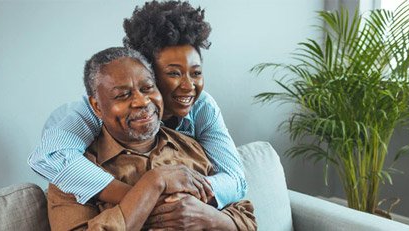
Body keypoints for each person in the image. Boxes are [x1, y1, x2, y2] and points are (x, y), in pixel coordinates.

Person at [28, 0, 246, 209]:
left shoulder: (203, 107)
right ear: (146, 71)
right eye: (173, 73)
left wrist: (185, 200)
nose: (189, 86)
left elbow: (236, 179)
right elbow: (49, 156)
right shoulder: (97, 109)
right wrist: (145, 197)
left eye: (196, 73)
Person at [48, 47, 256, 231]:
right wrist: (153, 183)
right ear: (96, 106)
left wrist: (206, 217)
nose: (141, 101)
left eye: (147, 88)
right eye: (123, 95)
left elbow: (246, 218)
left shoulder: (191, 147)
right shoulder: (71, 176)